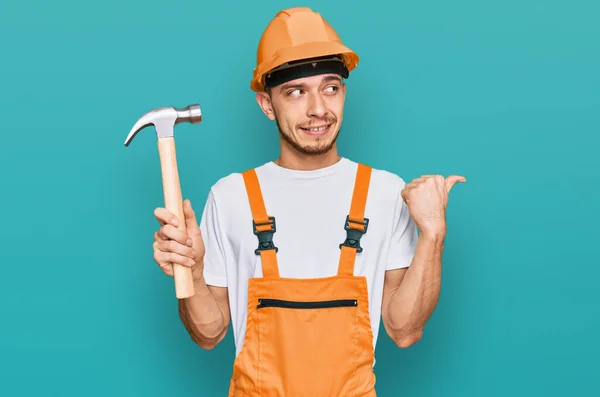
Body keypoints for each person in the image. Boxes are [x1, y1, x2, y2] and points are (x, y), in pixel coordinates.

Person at [152, 6, 465, 397]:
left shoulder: (384, 192)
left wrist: (433, 234)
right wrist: (193, 273)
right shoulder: (230, 196)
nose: (318, 109)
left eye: (330, 87)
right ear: (267, 105)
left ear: (344, 91)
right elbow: (208, 334)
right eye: (296, 92)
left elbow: (405, 330)